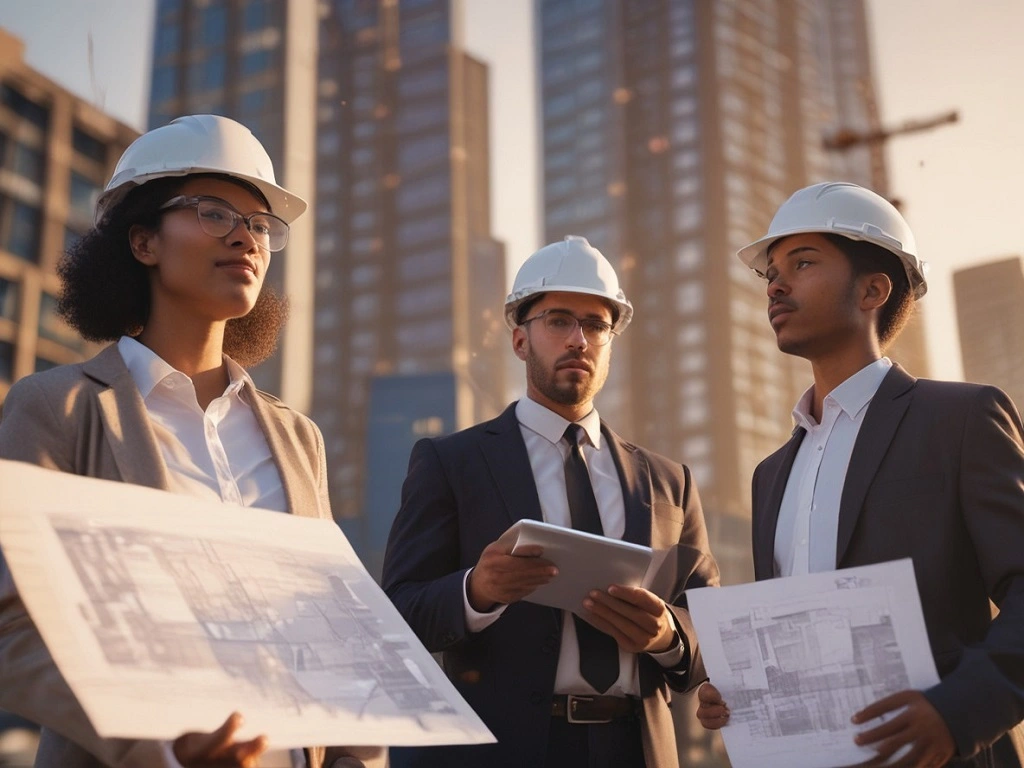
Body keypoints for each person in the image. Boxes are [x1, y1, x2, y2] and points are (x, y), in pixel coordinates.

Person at [0, 115, 383, 768]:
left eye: (261, 225)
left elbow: (336, 636)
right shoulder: (55, 409)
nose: (247, 238)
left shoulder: (298, 438)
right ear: (144, 241)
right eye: (214, 213)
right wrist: (164, 751)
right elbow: (14, 629)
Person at [695, 182, 1024, 767]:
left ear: (873, 289)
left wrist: (959, 712)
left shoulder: (962, 419)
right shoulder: (771, 475)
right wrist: (746, 695)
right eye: (771, 270)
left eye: (803, 262)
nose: (776, 283)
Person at [382, 235, 720, 768]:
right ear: (520, 340)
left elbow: (714, 627)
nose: (579, 340)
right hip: (504, 749)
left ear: (611, 341)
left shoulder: (668, 480)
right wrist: (476, 591)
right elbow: (398, 610)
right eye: (559, 320)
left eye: (595, 325)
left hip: (638, 749)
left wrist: (668, 636)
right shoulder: (452, 462)